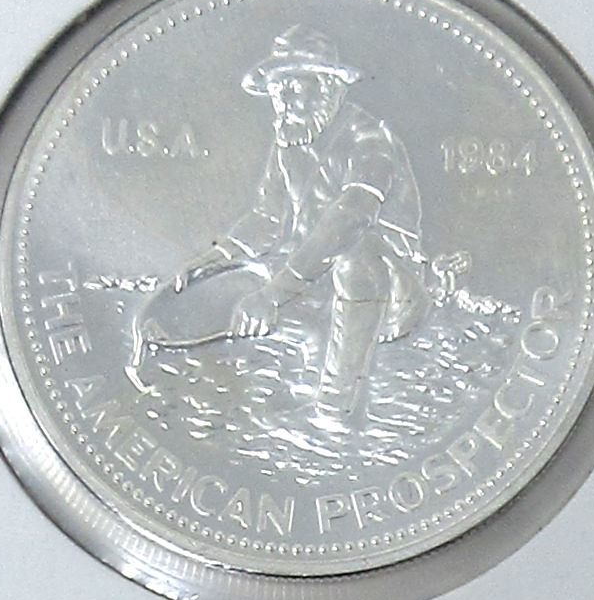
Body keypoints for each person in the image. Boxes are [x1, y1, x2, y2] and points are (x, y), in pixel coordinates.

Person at [182, 24, 430, 419]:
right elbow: (267, 218)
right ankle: (293, 367)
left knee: (354, 257)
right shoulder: (289, 142)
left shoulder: (369, 139)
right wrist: (214, 259)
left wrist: (272, 294)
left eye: (295, 85)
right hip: (309, 276)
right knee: (211, 292)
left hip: (386, 286)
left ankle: (336, 405)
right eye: (278, 88)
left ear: (329, 87)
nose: (284, 99)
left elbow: (351, 219)